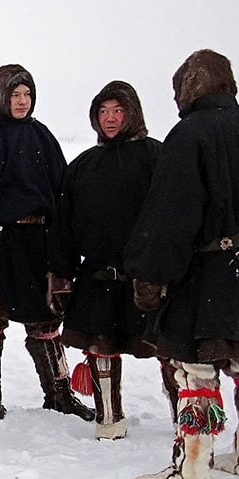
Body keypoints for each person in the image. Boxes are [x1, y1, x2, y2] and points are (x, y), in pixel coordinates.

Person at [124, 49, 239, 479]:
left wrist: (151, 272)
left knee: (194, 369)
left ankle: (192, 473)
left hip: (210, 273)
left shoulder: (190, 135)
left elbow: (171, 213)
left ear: (189, 86)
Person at [0, 64, 94, 423]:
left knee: (47, 323)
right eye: (15, 94)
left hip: (39, 242)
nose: (22, 101)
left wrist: (61, 247)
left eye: (27, 94)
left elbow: (62, 193)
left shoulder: (41, 137)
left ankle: (60, 393)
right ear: (0, 96)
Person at [48, 81, 170, 440]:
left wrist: (165, 269)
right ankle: (109, 417)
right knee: (99, 348)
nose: (110, 119)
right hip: (98, 275)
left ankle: (185, 418)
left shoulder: (157, 157)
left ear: (132, 113)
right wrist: (61, 272)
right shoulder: (84, 166)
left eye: (117, 111)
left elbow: (171, 217)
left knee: (168, 349)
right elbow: (63, 223)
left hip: (146, 277)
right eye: (103, 112)